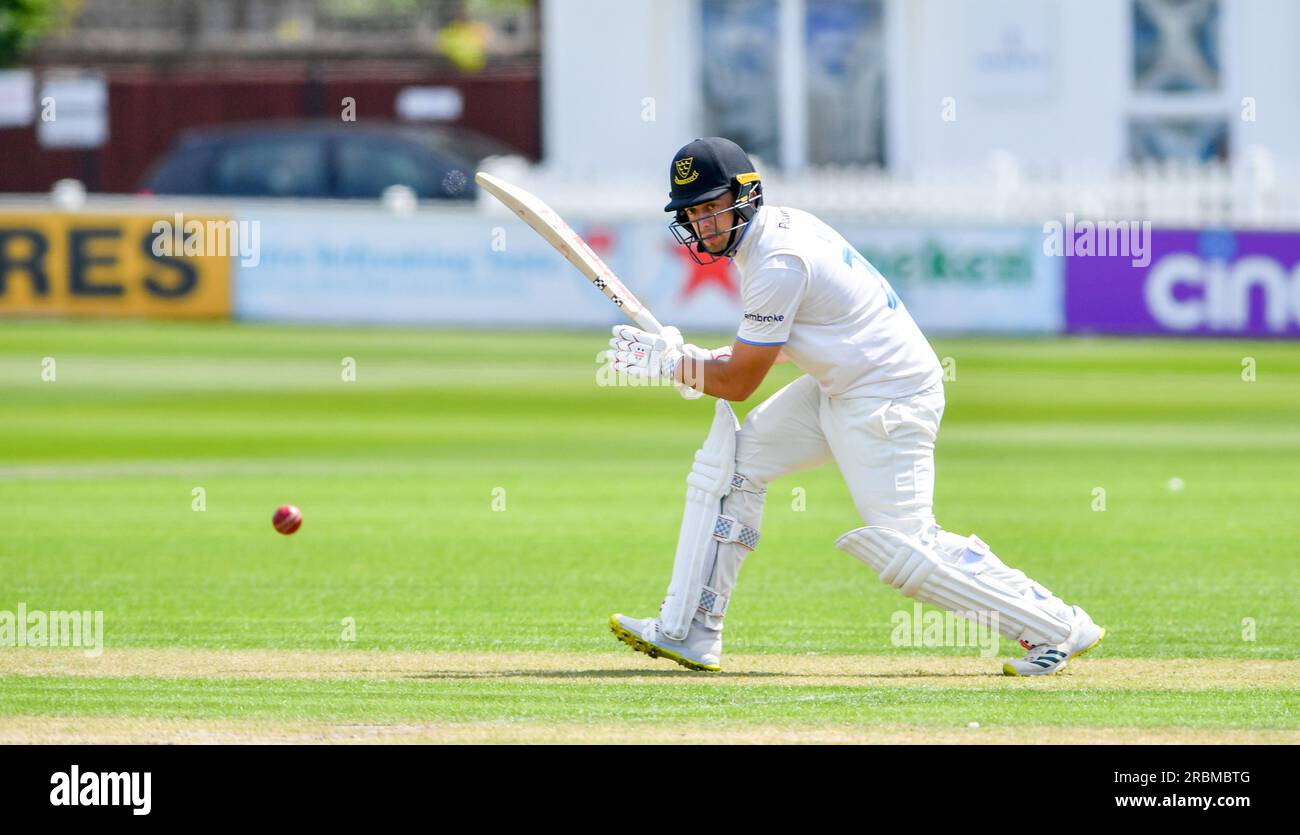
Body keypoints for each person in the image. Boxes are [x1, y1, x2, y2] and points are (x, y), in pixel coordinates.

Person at [605, 137, 1105, 676]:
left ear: (746, 195)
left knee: (904, 548)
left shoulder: (778, 260)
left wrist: (670, 364)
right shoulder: (775, 234)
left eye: (711, 208)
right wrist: (688, 359)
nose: (702, 224)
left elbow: (740, 381)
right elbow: (767, 352)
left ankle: (1055, 626)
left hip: (888, 397)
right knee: (735, 465)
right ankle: (693, 630)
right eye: (692, 213)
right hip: (841, 385)